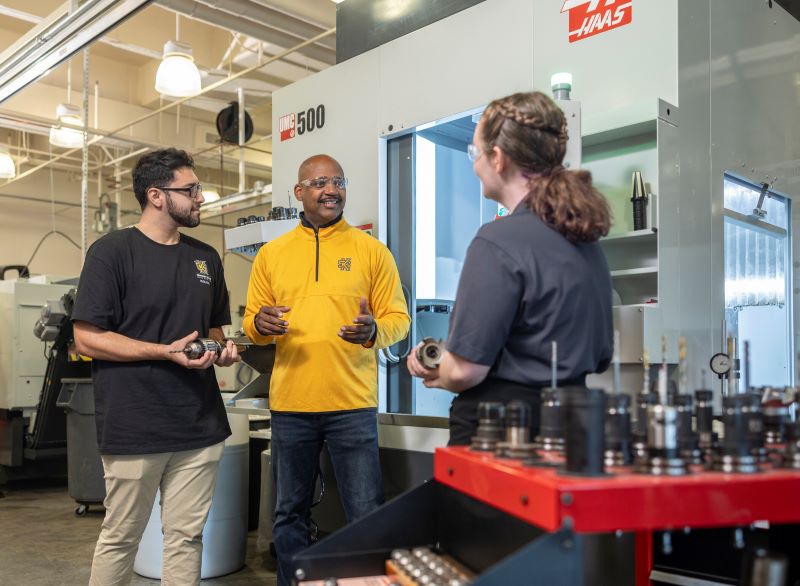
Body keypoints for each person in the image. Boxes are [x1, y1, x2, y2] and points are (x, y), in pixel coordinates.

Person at [72, 148, 240, 586]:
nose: (201, 197)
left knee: (186, 537)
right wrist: (163, 351)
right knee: (121, 536)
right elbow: (87, 338)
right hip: (135, 425)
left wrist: (220, 349)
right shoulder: (111, 253)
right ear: (157, 196)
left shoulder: (206, 257)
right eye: (191, 189)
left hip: (199, 425)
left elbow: (214, 330)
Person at [407, 91, 614, 445]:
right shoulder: (586, 240)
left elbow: (466, 370)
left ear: (498, 158)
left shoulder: (497, 241)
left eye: (475, 153)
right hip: (571, 427)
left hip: (501, 435)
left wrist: (439, 369)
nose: (474, 165)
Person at [242, 154, 411, 586]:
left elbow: (399, 319)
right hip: (291, 404)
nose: (330, 189)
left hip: (351, 404)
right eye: (319, 182)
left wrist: (374, 330)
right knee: (288, 514)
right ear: (299, 192)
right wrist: (259, 325)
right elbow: (252, 323)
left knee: (366, 512)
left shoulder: (372, 252)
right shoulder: (272, 255)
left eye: (337, 180)